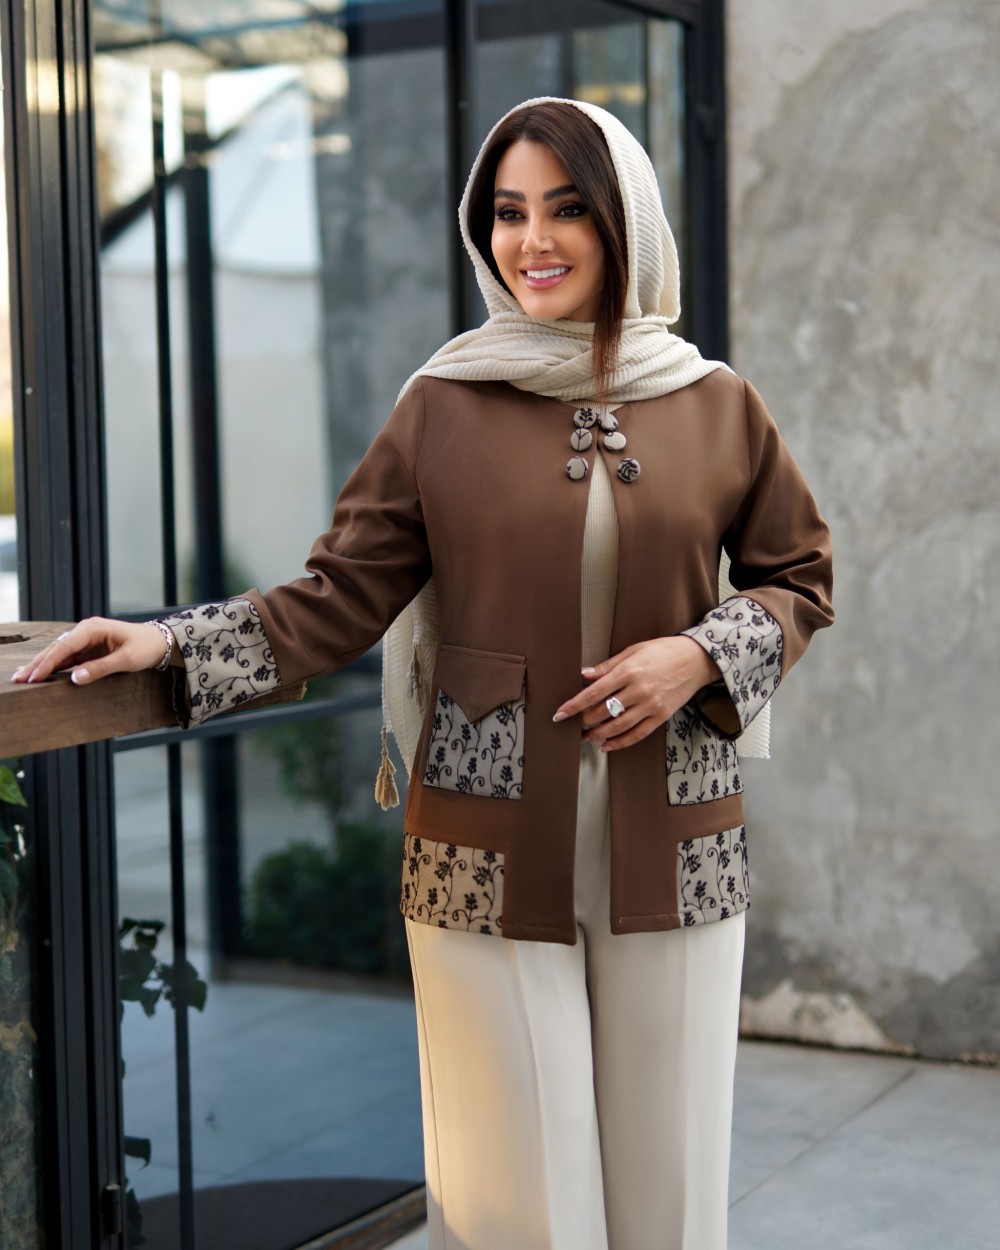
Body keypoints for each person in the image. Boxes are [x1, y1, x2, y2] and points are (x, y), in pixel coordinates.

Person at [14, 98, 834, 1249]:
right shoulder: (443, 403)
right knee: (519, 1197)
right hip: (482, 836)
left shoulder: (715, 403)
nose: (530, 239)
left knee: (672, 1184)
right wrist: (171, 641)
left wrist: (695, 652)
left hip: (678, 830)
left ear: (625, 224)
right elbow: (338, 594)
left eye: (565, 208)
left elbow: (799, 575)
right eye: (506, 211)